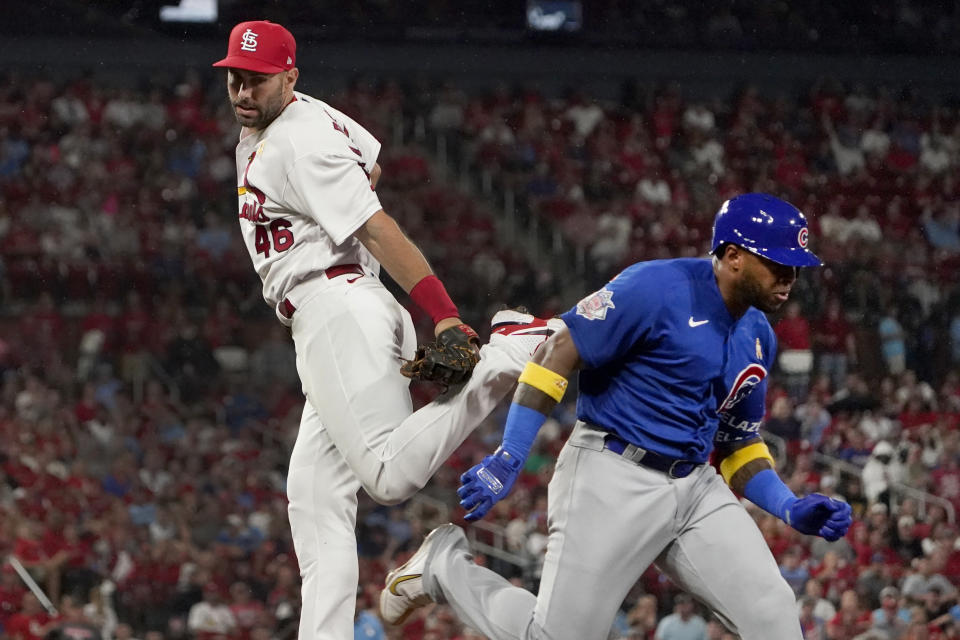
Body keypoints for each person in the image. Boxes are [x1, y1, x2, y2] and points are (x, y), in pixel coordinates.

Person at [211, 20, 560, 639]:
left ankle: (506, 354)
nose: (242, 89)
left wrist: (445, 312)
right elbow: (371, 161)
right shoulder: (302, 118)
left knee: (389, 476)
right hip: (337, 307)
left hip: (336, 306)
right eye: (235, 75)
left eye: (257, 80)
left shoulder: (297, 141)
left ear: (289, 78)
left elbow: (375, 223)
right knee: (315, 499)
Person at [379, 193, 854, 639]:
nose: (790, 277)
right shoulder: (657, 287)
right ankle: (443, 566)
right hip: (612, 474)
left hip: (694, 488)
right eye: (778, 264)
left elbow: (737, 444)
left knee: (776, 622)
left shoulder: (758, 335)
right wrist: (509, 454)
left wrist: (789, 506)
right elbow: (556, 353)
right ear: (733, 255)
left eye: (795, 267)